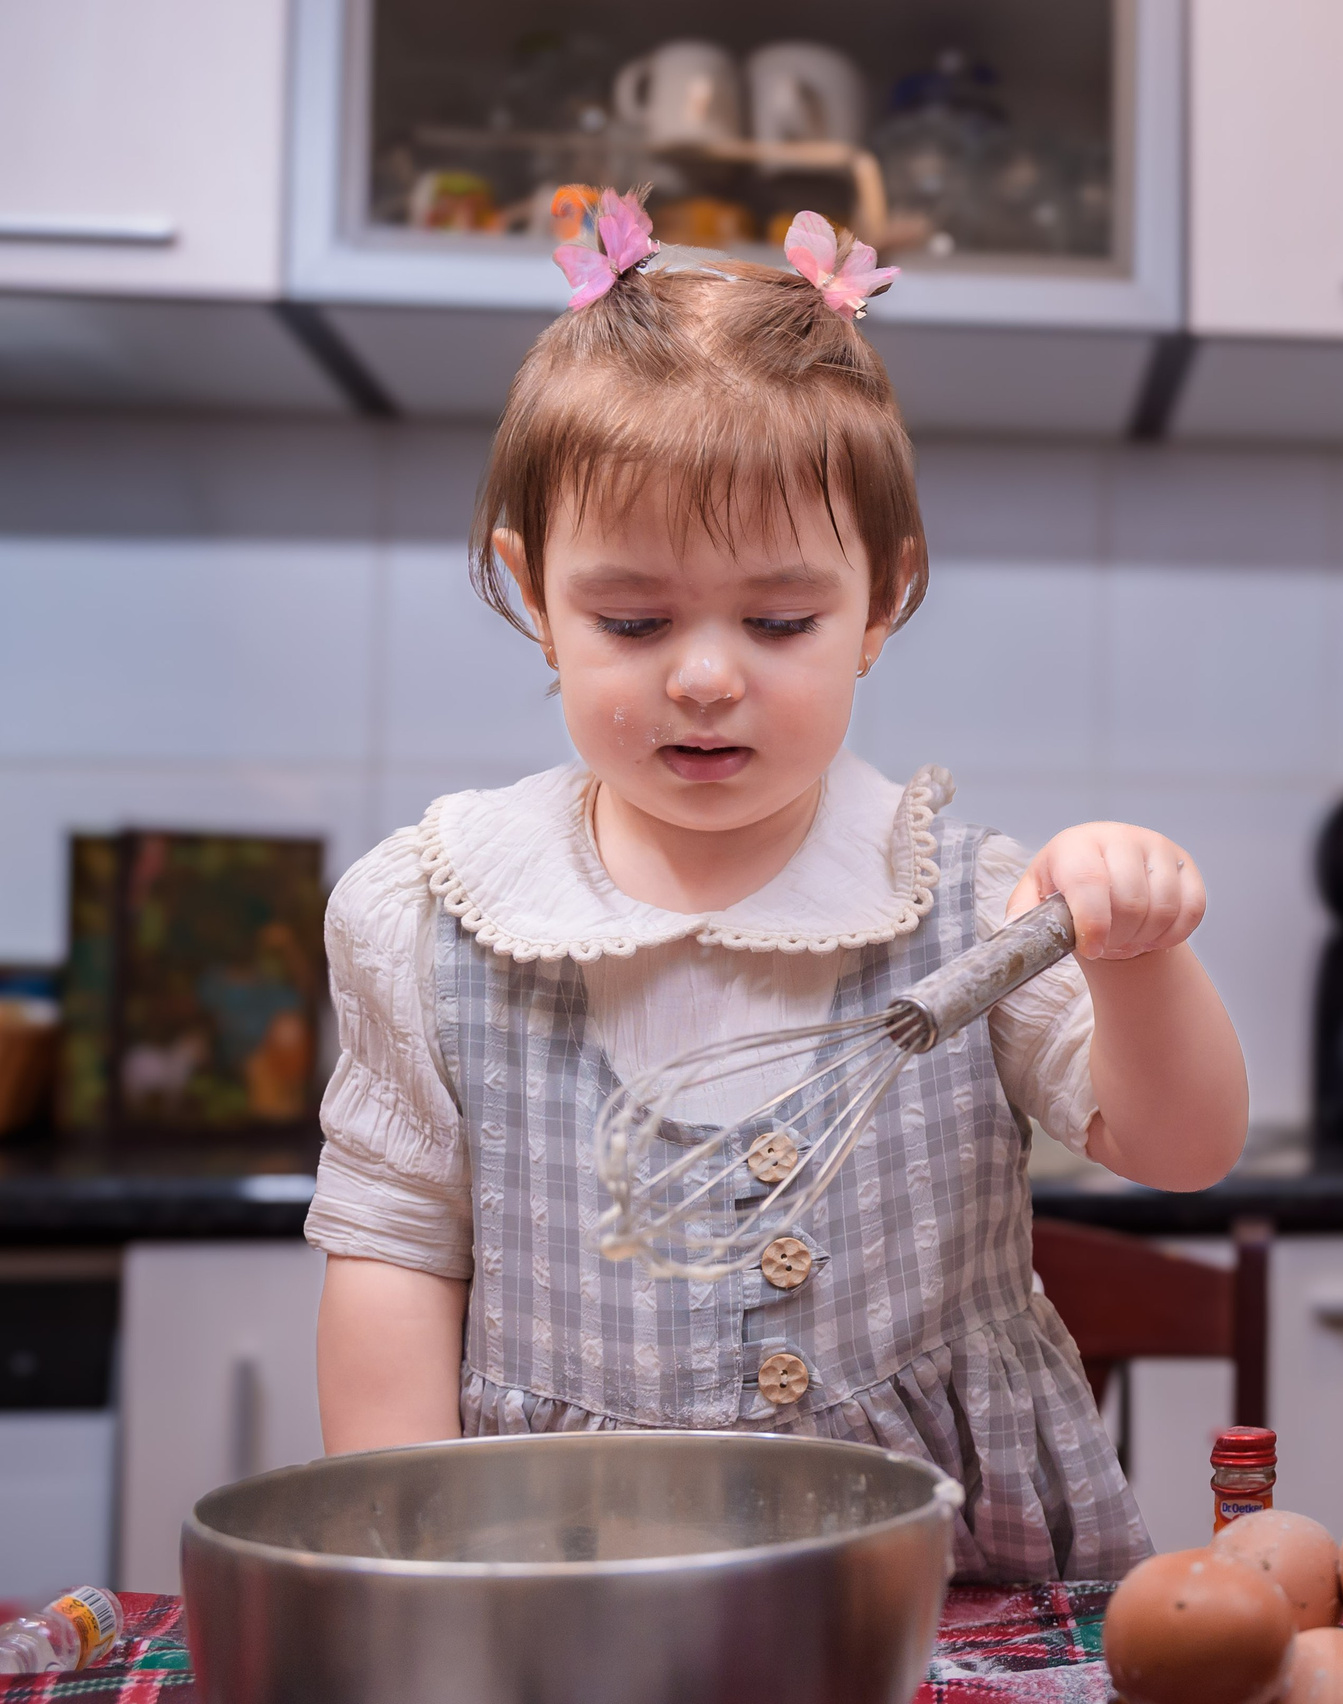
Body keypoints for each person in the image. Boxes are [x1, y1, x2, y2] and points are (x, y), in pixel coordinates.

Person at [303, 191, 1248, 1580]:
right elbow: (390, 1259)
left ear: (882, 606)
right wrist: (404, 1575)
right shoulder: (431, 919)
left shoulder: (964, 905)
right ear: (531, 594)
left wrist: (1137, 954)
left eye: (779, 619)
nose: (702, 672)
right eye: (631, 619)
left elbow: (1184, 1148)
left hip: (947, 1598)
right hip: (567, 1588)